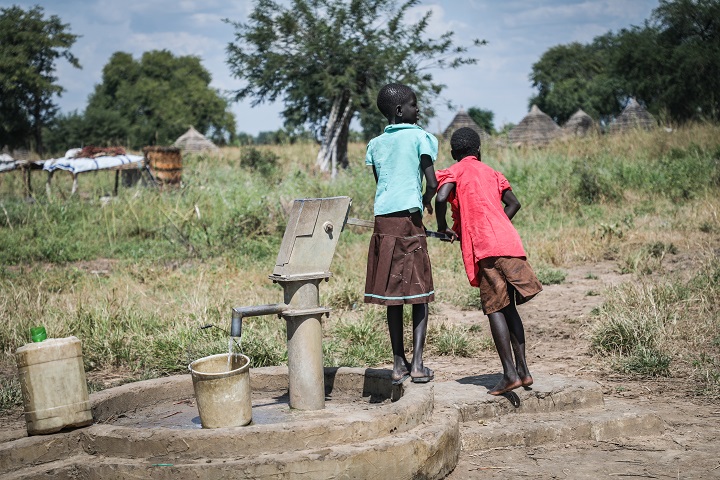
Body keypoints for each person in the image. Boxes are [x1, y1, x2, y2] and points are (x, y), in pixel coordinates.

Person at [434, 127, 542, 395]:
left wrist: (442, 225)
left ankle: (509, 375)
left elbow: (440, 196)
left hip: (486, 248)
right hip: (509, 242)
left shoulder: (455, 171)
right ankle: (524, 371)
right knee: (510, 309)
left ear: (453, 154)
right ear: (478, 151)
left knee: (494, 308)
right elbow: (513, 203)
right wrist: (490, 223)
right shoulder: (491, 172)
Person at [365, 83, 438, 385]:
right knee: (419, 293)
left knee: (392, 296)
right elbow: (432, 183)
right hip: (409, 220)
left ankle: (398, 364)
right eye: (413, 104)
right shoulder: (422, 137)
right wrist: (425, 200)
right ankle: (418, 365)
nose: (418, 109)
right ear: (399, 110)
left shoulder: (375, 144)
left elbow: (381, 182)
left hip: (384, 222)